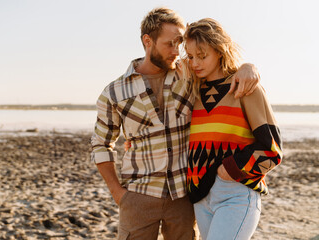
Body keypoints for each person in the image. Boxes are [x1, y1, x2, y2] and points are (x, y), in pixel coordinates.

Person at [91, 8, 259, 240]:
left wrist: (248, 67)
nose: (176, 51)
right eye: (169, 44)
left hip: (184, 197)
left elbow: (221, 65)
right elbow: (100, 145)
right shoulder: (114, 92)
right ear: (147, 41)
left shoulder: (189, 74)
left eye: (179, 43)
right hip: (138, 196)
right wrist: (118, 193)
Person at [183, 18, 283, 239]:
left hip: (235, 193)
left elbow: (272, 150)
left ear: (219, 51)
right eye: (190, 57)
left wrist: (229, 169)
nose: (195, 63)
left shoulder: (245, 88)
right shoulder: (193, 90)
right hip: (201, 198)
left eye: (202, 55)